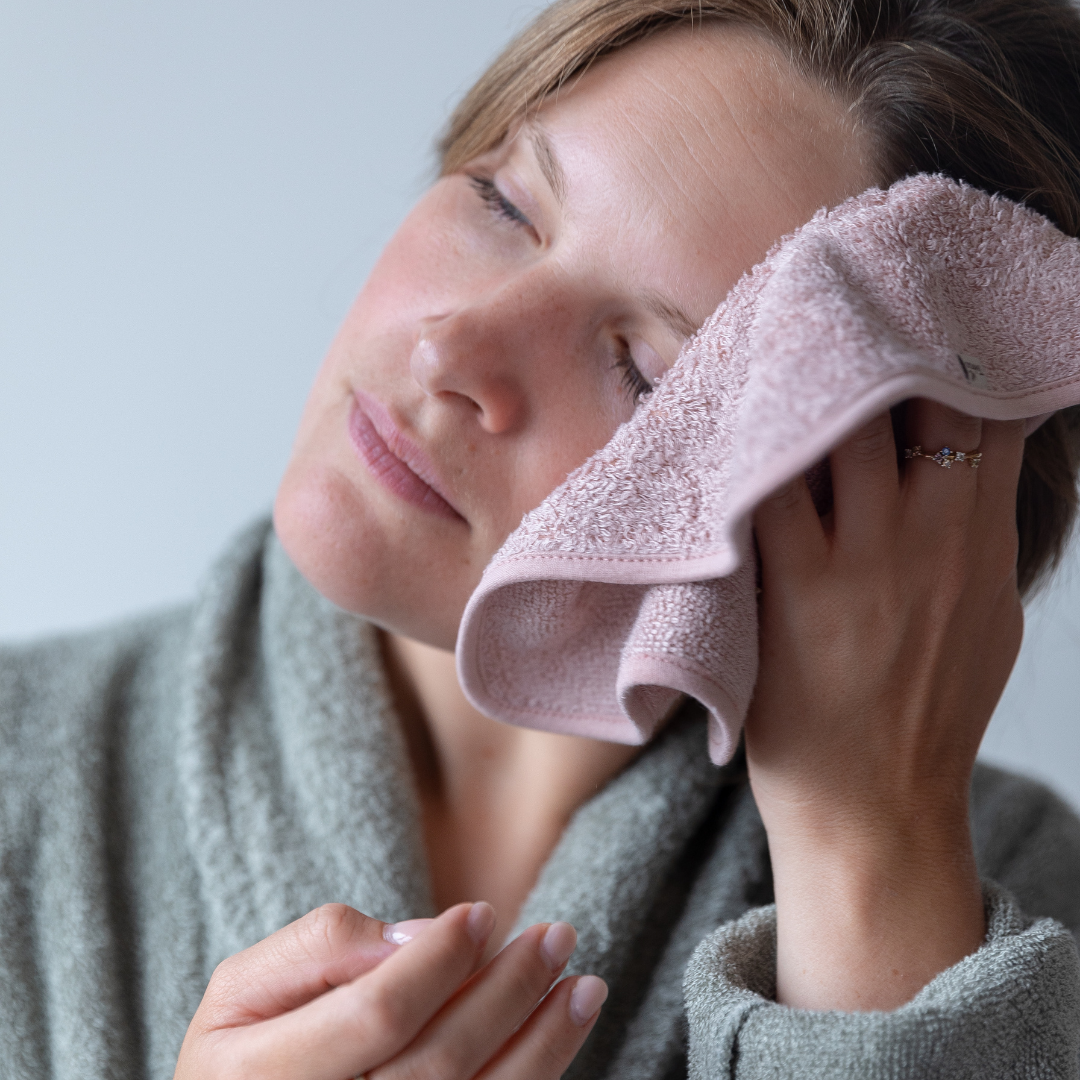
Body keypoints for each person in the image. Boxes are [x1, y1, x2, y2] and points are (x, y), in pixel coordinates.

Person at [3, 1, 1080, 1077]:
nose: (450, 350)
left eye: (645, 370)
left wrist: (869, 847)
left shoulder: (1010, 925)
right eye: (503, 202)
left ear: (886, 524)